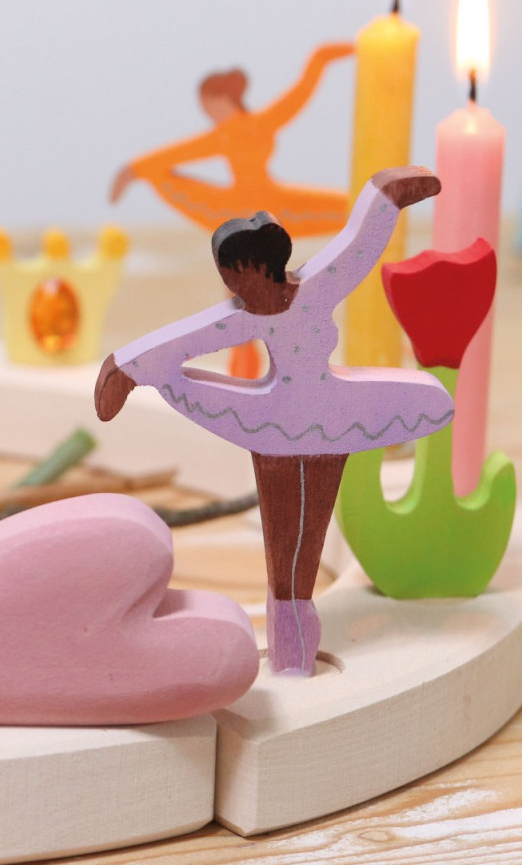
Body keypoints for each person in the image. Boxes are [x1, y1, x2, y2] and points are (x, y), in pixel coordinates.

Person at [96, 167, 454, 675]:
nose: (233, 289)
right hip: (273, 424)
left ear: (260, 269)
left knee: (308, 535)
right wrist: (127, 369)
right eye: (227, 282)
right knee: (285, 546)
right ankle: (291, 636)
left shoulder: (315, 289)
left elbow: (357, 248)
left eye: (236, 278)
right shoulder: (242, 317)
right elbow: (183, 342)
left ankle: (294, 636)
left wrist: (388, 196)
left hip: (329, 417)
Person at [111, 43, 352, 238]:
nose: (207, 111)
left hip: (270, 202)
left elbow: (298, 95)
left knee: (351, 208)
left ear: (223, 99)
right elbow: (175, 154)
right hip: (241, 207)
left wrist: (320, 60)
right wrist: (133, 171)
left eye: (208, 105)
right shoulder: (226, 135)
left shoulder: (248, 128)